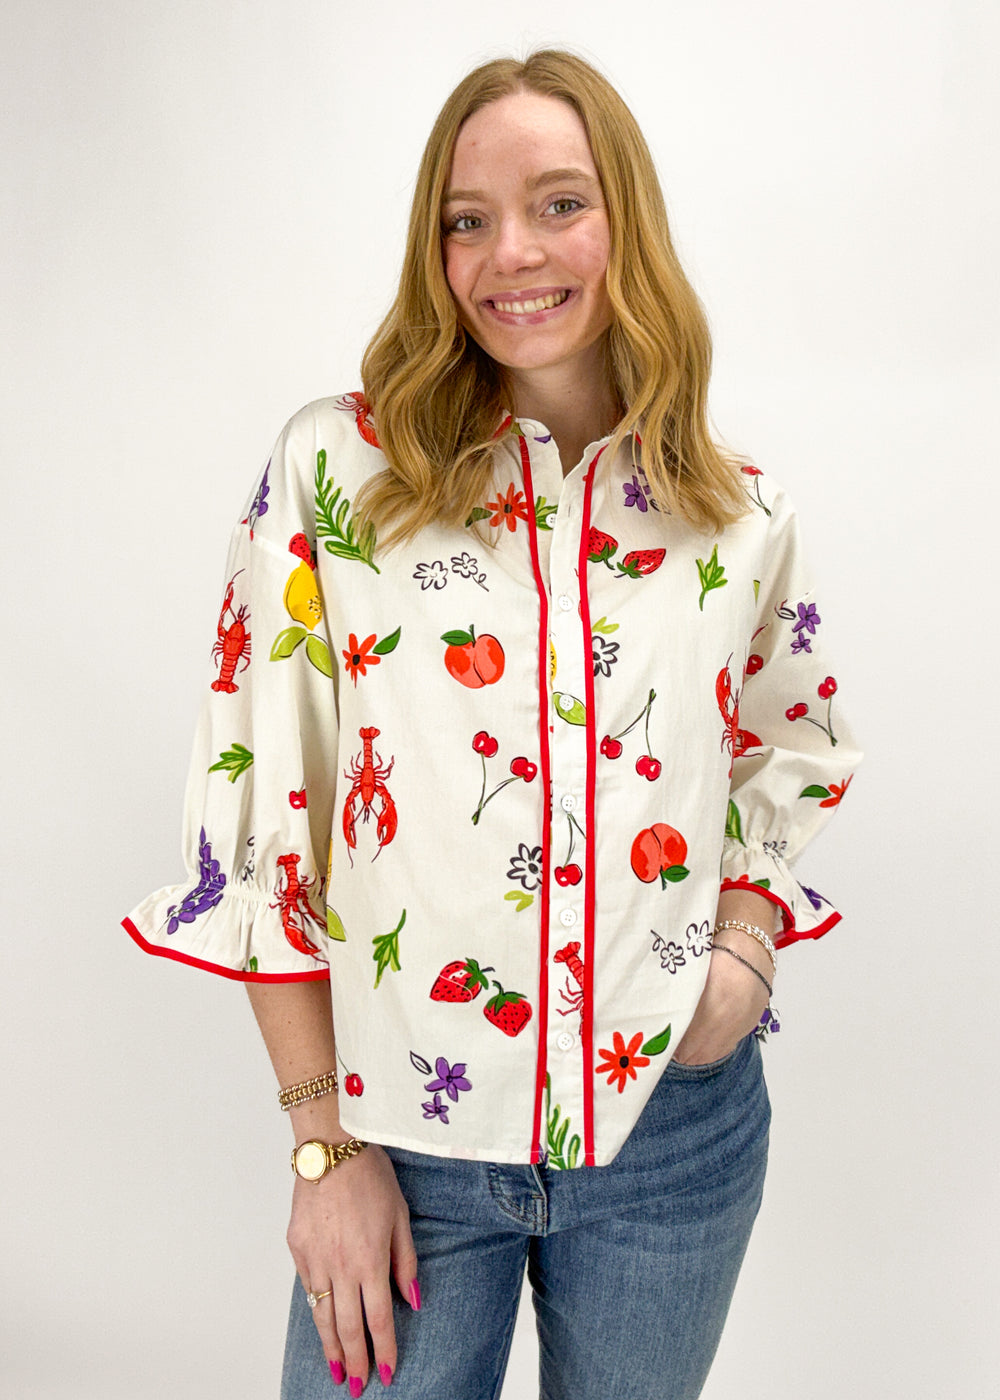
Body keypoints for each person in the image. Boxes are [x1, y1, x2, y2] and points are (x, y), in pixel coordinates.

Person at [123, 49, 862, 1400]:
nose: (508, 252)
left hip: (675, 1136)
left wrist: (743, 955)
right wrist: (322, 1150)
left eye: (558, 203)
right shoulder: (336, 477)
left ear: (626, 220)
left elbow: (790, 742)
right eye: (466, 219)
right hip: (404, 1137)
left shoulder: (738, 511)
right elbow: (266, 808)